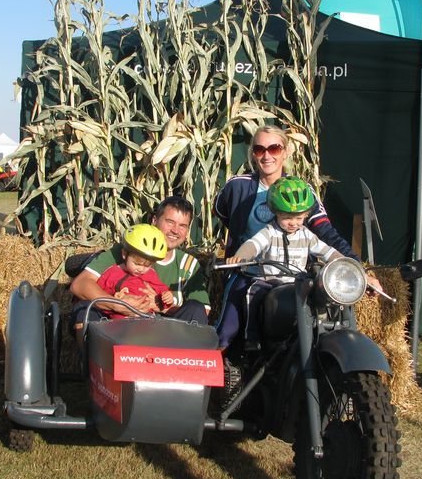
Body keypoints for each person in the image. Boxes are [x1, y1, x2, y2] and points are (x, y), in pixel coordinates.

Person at [213, 125, 381, 348]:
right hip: (250, 273)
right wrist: (239, 256)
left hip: (295, 277)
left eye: (274, 148)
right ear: (253, 153)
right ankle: (226, 370)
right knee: (227, 330)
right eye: (259, 149)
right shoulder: (238, 186)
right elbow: (223, 213)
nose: (266, 155)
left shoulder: (300, 191)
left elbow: (326, 236)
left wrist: (359, 270)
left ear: (286, 151)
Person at [219, 177, 345, 349]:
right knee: (252, 293)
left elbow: (327, 251)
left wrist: (345, 263)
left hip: (299, 284)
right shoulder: (270, 232)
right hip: (270, 282)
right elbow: (253, 245)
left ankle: (323, 337)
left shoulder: (307, 235)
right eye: (287, 218)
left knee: (325, 298)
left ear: (306, 215)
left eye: (299, 218)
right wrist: (239, 257)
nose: (293, 223)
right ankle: (252, 337)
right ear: (276, 213)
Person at [70, 196, 211, 327]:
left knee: (195, 308)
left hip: (167, 334)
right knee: (83, 310)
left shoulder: (188, 264)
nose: (175, 230)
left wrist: (160, 307)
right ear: (154, 221)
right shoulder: (128, 250)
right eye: (170, 222)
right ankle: (97, 353)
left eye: (183, 226)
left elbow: (202, 312)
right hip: (118, 328)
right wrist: (117, 305)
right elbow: (80, 284)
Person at [95, 224, 175, 320]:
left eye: (147, 265)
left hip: (147, 317)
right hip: (121, 319)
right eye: (137, 263)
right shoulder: (113, 273)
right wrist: (114, 298)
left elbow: (161, 289)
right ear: (124, 254)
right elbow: (99, 295)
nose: (141, 269)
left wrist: (167, 296)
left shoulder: (150, 274)